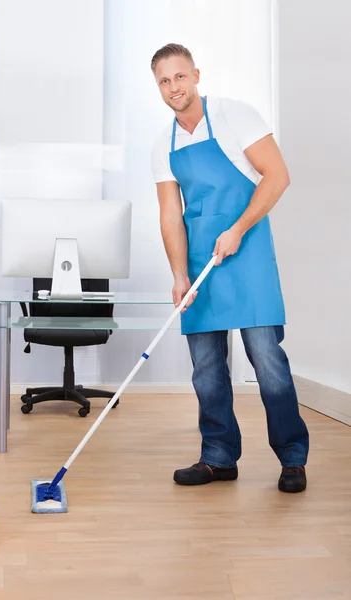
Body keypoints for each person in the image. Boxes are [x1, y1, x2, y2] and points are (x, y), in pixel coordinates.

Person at [150, 43, 309, 493]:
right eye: (164, 81)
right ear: (157, 88)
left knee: (268, 361)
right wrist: (180, 275)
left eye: (180, 76)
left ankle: (293, 459)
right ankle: (218, 457)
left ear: (196, 75)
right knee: (206, 368)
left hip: (248, 251)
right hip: (202, 261)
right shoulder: (164, 145)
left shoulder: (236, 116)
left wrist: (238, 228)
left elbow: (277, 175)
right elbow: (169, 216)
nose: (173, 87)